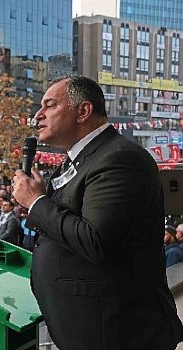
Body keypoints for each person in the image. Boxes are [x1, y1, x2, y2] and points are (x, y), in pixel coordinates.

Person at [12, 75, 183, 349]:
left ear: (83, 111)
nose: (38, 115)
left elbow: (96, 240)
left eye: (50, 105)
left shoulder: (119, 159)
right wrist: (43, 198)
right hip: (89, 327)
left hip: (116, 332)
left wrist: (35, 202)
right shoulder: (82, 158)